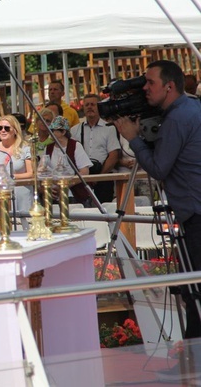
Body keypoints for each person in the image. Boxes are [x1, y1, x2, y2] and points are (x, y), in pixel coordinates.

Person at [114, 60, 201, 343]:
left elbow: (159, 169)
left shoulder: (177, 119)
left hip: (194, 212)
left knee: (192, 290)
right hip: (192, 208)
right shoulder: (192, 108)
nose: (145, 89)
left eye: (150, 83)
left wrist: (133, 139)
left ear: (169, 86)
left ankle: (193, 358)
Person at [71, 94, 121, 203]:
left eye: (93, 104)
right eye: (87, 105)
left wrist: (99, 177)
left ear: (99, 107)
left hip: (103, 177)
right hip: (81, 178)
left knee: (105, 210)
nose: (89, 107)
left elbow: (114, 155)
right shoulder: (74, 130)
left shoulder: (109, 128)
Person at [0, 115, 34, 213]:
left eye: (7, 128)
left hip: (21, 196)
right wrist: (0, 179)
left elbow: (31, 173)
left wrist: (10, 177)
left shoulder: (25, 148)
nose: (3, 130)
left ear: (15, 130)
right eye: (0, 128)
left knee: (23, 226)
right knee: (2, 225)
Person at [44, 116, 93, 206]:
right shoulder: (48, 148)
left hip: (74, 196)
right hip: (54, 197)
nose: (50, 133)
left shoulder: (75, 146)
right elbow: (44, 171)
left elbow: (85, 172)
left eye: (53, 130)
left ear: (63, 132)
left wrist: (65, 185)